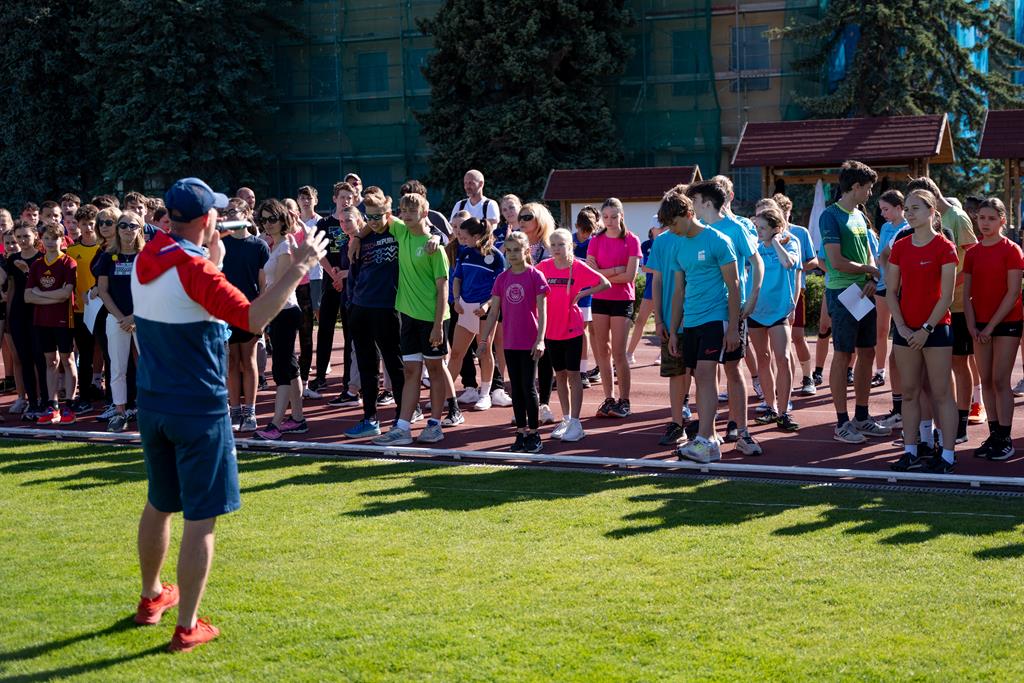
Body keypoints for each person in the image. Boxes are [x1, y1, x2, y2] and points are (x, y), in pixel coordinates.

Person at [131, 176, 326, 652]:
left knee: (160, 502)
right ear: (207, 219)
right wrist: (300, 267)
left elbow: (183, 295)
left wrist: (210, 257)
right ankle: (187, 626)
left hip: (153, 403)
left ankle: (152, 597)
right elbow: (254, 318)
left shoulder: (147, 255)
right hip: (198, 409)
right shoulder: (195, 269)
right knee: (202, 519)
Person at [685, 181, 763, 454]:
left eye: (694, 201)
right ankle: (709, 433)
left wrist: (752, 297)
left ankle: (743, 433)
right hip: (704, 314)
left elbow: (757, 262)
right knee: (704, 373)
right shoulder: (696, 231)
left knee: (733, 369)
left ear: (707, 203)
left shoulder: (735, 228)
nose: (691, 206)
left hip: (732, 311)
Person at [663, 190, 740, 463]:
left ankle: (705, 440)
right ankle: (709, 439)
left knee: (706, 375)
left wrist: (733, 327)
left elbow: (734, 285)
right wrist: (674, 330)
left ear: (688, 214)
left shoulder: (718, 240)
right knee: (699, 378)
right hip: (691, 321)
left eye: (674, 223)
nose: (672, 230)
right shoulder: (678, 245)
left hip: (715, 318)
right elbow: (678, 292)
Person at [886, 189, 960, 473]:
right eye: (907, 208)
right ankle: (910, 451)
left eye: (915, 208)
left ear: (931, 211)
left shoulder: (945, 247)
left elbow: (946, 297)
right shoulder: (901, 246)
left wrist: (926, 328)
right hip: (905, 332)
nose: (909, 213)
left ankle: (948, 455)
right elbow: (891, 291)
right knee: (909, 393)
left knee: (941, 393)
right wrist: (902, 327)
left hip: (936, 329)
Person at [372, 190, 453, 445]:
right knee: (410, 371)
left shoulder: (434, 248)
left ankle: (435, 424)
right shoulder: (401, 232)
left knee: (435, 370)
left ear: (425, 213)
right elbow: (378, 213)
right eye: (403, 210)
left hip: (432, 319)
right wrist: (355, 240)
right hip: (408, 317)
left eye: (412, 210)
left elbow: (443, 289)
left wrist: (438, 326)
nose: (406, 214)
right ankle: (403, 427)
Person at [818, 161, 890, 444]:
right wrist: (869, 270)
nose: (870, 194)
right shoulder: (830, 216)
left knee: (867, 352)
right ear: (856, 187)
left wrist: (871, 277)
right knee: (843, 355)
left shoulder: (860, 215)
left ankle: (861, 417)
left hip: (863, 293)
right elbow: (835, 261)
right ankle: (841, 423)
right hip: (842, 292)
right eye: (868, 188)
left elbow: (869, 253)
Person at [905, 176, 978, 442]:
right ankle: (933, 430)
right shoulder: (923, 224)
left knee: (959, 362)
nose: (911, 211)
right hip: (932, 308)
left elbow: (972, 259)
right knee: (933, 373)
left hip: (955, 304)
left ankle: (961, 422)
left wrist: (944, 286)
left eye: (916, 204)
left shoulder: (957, 217)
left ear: (931, 198)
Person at [963, 197, 1022, 461]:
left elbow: (1013, 293)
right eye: (981, 218)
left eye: (991, 218)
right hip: (980, 326)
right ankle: (994, 434)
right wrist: (972, 324)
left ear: (1002, 221)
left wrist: (990, 326)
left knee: (1000, 380)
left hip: (1007, 323)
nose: (985, 223)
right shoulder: (973, 253)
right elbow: (967, 293)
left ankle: (1005, 438)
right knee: (985, 380)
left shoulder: (1012, 250)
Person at [536, 228, 609, 441]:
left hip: (572, 329)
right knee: (559, 375)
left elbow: (605, 283)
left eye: (561, 244)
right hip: (551, 330)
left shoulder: (577, 267)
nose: (557, 248)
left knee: (574, 374)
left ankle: (576, 423)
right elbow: (529, 280)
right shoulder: (544, 266)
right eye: (553, 245)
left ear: (570, 246)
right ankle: (566, 419)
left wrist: (585, 292)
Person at [343, 205, 408, 438]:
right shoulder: (360, 240)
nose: (373, 220)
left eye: (377, 216)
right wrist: (352, 304)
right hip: (361, 308)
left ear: (388, 214)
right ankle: (370, 418)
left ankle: (402, 418)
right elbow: (354, 273)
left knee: (394, 364)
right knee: (366, 366)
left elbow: (429, 232)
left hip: (388, 308)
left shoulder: (399, 232)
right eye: (368, 216)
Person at [480, 232, 549, 453]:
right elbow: (493, 313)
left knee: (528, 387)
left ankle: (534, 432)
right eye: (508, 251)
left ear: (526, 251)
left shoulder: (535, 276)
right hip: (510, 342)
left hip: (530, 342)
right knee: (516, 389)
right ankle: (520, 432)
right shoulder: (502, 279)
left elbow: (543, 311)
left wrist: (540, 340)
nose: (512, 254)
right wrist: (484, 340)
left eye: (517, 250)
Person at [254, 200, 309, 440]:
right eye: (264, 220)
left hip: (284, 312)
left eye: (272, 219)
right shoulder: (276, 244)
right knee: (290, 367)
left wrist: (263, 312)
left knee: (281, 370)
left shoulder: (285, 245)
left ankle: (276, 423)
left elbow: (282, 287)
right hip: (280, 312)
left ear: (282, 219)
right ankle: (297, 418)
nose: (268, 224)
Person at [587, 198, 641, 418]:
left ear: (621, 216)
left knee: (619, 352)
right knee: (603, 351)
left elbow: (630, 276)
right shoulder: (595, 240)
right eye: (605, 217)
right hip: (600, 298)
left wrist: (604, 273)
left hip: (622, 300)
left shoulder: (632, 240)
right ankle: (609, 398)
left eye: (614, 216)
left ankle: (624, 400)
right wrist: (616, 269)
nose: (609, 221)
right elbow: (591, 274)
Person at [748, 207, 801, 431]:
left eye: (763, 228)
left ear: (776, 228)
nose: (758, 231)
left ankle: (784, 411)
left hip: (779, 311)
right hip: (755, 311)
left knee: (784, 359)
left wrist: (777, 242)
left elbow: (789, 264)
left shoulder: (790, 242)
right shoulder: (754, 246)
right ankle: (770, 407)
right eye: (757, 227)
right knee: (763, 358)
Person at [221, 199, 269, 433]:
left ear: (247, 213)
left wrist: (261, 315)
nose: (230, 215)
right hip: (225, 312)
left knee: (249, 361)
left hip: (250, 312)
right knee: (231, 361)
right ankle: (235, 410)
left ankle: (250, 411)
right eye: (227, 212)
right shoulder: (221, 244)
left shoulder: (259, 246)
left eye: (234, 211)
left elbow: (263, 285)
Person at [447, 217, 505, 411]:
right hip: (465, 309)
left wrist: (487, 305)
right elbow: (457, 279)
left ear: (477, 235)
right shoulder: (465, 252)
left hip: (486, 311)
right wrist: (456, 299)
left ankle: (485, 394)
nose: (462, 240)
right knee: (456, 353)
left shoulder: (496, 256)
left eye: (465, 237)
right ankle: (446, 395)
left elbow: (499, 288)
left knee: (484, 351)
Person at [95, 211, 145, 433]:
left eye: (132, 225)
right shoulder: (108, 256)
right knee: (117, 368)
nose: (127, 230)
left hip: (143, 318)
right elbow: (103, 291)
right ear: (117, 229)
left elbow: (153, 290)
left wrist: (134, 317)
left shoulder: (147, 256)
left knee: (149, 367)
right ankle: (119, 413)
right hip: (116, 319)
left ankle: (149, 410)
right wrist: (121, 318)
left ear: (140, 229)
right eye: (123, 225)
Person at [25, 225, 78, 425]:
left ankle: (70, 405)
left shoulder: (68, 262)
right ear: (41, 240)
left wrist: (40, 293)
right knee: (50, 361)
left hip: (63, 319)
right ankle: (52, 405)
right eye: (46, 238)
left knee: (67, 360)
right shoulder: (37, 265)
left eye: (54, 238)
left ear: (62, 240)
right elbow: (27, 297)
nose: (50, 242)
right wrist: (52, 296)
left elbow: (66, 294)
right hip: (42, 320)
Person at [311, 182, 357, 401]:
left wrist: (344, 276)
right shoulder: (324, 223)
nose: (346, 201)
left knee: (350, 333)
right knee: (325, 329)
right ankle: (320, 376)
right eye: (342, 197)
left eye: (349, 197)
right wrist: (333, 275)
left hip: (351, 285)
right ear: (335, 199)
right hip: (331, 282)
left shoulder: (356, 221)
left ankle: (349, 380)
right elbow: (319, 253)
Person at [6, 221, 47, 419]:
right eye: (19, 237)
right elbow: (12, 289)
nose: (22, 240)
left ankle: (45, 401)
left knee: (40, 358)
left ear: (35, 236)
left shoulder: (42, 258)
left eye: (26, 236)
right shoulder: (12, 259)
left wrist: (27, 271)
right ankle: (32, 402)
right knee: (25, 359)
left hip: (38, 314)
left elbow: (44, 287)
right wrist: (9, 316)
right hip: (18, 314)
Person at [66, 204, 101, 411]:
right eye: (84, 224)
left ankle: (113, 399)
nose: (88, 228)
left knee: (109, 355)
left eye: (92, 223)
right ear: (77, 225)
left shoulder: (105, 249)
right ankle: (85, 397)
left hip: (105, 310)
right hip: (80, 311)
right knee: (85, 356)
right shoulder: (71, 251)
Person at [626, 224, 662, 365]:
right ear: (652, 229)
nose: (661, 229)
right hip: (650, 289)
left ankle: (662, 353)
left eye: (663, 226)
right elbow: (646, 267)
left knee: (662, 322)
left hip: (666, 289)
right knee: (640, 321)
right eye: (658, 227)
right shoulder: (646, 245)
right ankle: (629, 354)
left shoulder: (669, 242)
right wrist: (662, 268)